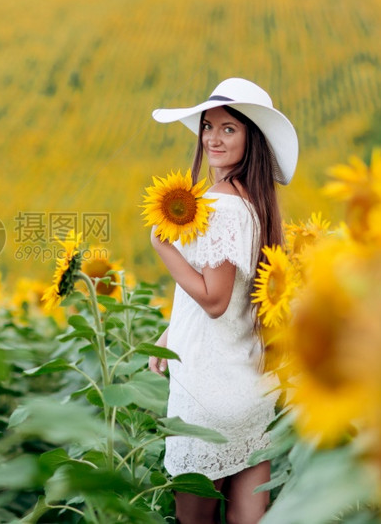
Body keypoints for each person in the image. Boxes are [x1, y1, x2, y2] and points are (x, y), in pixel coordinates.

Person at [147, 78, 298, 524]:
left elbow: (213, 299)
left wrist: (164, 247)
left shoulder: (218, 207)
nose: (213, 137)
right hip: (250, 386)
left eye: (229, 128)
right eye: (208, 126)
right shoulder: (257, 205)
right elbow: (235, 298)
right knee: (250, 519)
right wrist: (175, 326)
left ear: (252, 138)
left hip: (206, 395)